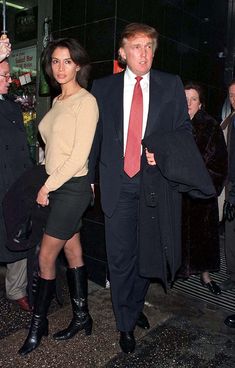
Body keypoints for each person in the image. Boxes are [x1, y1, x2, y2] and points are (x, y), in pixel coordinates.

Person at [89, 23, 216, 354]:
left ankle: (132, 305)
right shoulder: (102, 87)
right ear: (122, 53)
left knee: (147, 255)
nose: (143, 53)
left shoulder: (169, 84)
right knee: (119, 258)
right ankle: (124, 323)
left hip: (153, 185)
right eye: (136, 47)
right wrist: (89, 178)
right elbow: (95, 136)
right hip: (117, 183)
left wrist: (163, 154)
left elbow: (182, 132)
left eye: (148, 47)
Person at [18, 38, 99, 356]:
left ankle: (38, 326)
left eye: (67, 61)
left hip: (71, 188)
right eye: (55, 61)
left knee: (45, 257)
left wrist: (46, 187)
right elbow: (53, 149)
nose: (61, 67)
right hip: (56, 183)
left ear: (78, 64)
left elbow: (79, 156)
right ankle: (83, 316)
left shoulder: (86, 101)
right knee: (73, 250)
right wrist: (43, 175)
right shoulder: (57, 101)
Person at [177, 83, 227, 294]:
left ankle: (205, 277)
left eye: (193, 99)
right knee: (177, 236)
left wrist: (202, 185)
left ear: (201, 103)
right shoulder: (173, 123)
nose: (188, 103)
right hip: (177, 193)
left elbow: (219, 162)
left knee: (203, 238)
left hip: (200, 194)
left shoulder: (210, 125)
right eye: (185, 98)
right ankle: (176, 272)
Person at [0, 43, 33, 312]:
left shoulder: (12, 106)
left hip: (15, 183)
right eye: (2, 75)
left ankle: (16, 289)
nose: (8, 80)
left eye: (9, 75)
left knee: (17, 236)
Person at [220, 79, 235, 291]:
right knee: (230, 234)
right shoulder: (230, 120)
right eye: (231, 95)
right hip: (230, 185)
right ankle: (232, 275)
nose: (234, 99)